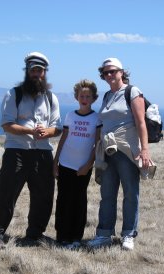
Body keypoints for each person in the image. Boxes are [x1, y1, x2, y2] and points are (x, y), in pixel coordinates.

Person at [0, 52, 62, 249]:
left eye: (40, 70)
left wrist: (46, 132)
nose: (37, 74)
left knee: (44, 196)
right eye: (34, 70)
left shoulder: (51, 97)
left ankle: (35, 234)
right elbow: (7, 124)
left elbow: (57, 127)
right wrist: (31, 131)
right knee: (7, 194)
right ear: (27, 71)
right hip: (17, 151)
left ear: (45, 73)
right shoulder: (14, 94)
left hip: (43, 152)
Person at [87, 58, 152, 251]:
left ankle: (128, 235)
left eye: (112, 71)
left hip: (127, 151)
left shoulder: (132, 92)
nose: (109, 75)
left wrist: (145, 150)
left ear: (121, 72)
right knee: (107, 194)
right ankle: (104, 234)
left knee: (130, 193)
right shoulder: (107, 95)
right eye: (105, 73)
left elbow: (141, 123)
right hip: (107, 151)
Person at [53, 79, 101, 250]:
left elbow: (97, 144)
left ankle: (75, 237)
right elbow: (63, 138)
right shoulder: (70, 115)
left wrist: (89, 164)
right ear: (76, 97)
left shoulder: (96, 118)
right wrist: (55, 161)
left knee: (79, 201)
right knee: (63, 200)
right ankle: (61, 236)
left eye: (88, 96)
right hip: (65, 164)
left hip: (82, 168)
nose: (84, 98)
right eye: (81, 95)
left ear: (94, 98)